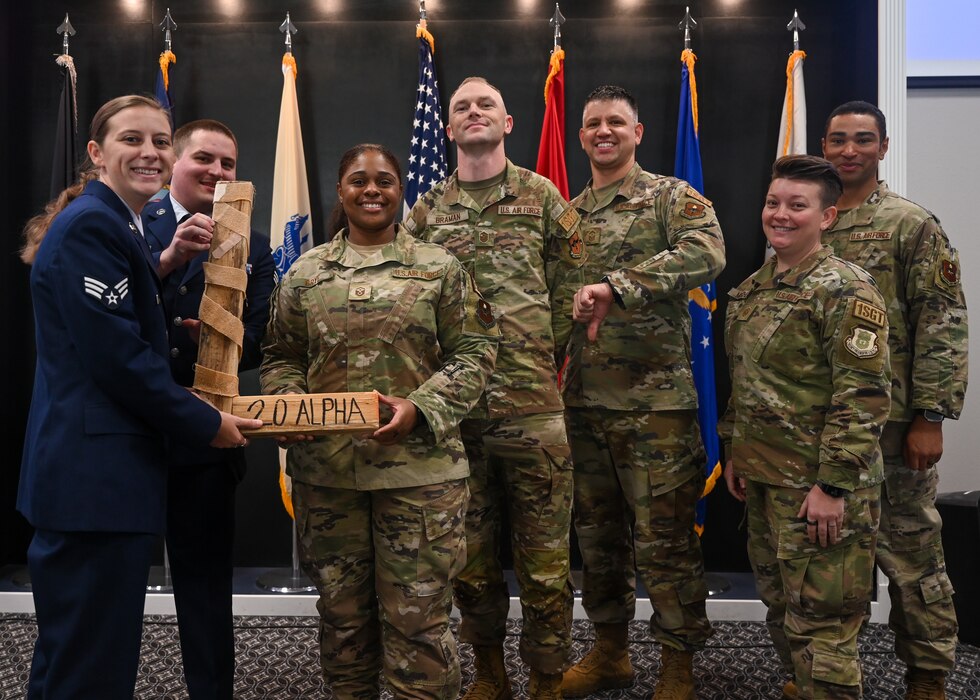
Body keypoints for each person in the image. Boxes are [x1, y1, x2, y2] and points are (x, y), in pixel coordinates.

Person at [17, 95, 261, 700]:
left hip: (103, 477)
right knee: (90, 665)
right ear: (97, 152)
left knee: (75, 654)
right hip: (94, 479)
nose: (149, 153)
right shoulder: (95, 225)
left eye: (158, 141)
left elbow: (115, 323)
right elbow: (118, 360)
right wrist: (205, 422)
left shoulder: (112, 223)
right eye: (133, 140)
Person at [261, 144, 499, 700]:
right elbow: (282, 356)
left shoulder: (440, 268)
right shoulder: (306, 270)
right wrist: (288, 406)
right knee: (342, 624)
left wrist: (420, 407)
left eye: (385, 181)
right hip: (328, 477)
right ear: (340, 191)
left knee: (418, 626)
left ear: (400, 191)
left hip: (418, 478)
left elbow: (475, 351)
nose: (372, 190)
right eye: (358, 181)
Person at [403, 76, 585, 700]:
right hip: (455, 414)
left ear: (509, 123)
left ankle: (548, 675)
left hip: (533, 409)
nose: (474, 112)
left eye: (487, 105)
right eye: (462, 107)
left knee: (546, 560)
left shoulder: (543, 198)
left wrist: (540, 353)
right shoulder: (426, 211)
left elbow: (571, 286)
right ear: (449, 128)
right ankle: (490, 672)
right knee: (470, 559)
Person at [561, 85, 724, 700]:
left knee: (666, 544)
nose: (604, 132)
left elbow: (708, 252)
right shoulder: (570, 215)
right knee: (598, 540)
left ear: (639, 131)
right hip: (584, 404)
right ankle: (610, 652)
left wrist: (618, 285)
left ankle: (677, 664)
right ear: (582, 136)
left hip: (656, 407)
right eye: (593, 124)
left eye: (616, 123)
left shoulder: (669, 198)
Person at [720, 155, 891, 699]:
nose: (781, 214)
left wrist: (833, 486)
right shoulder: (751, 291)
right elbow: (746, 386)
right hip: (768, 484)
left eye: (798, 205)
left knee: (823, 628)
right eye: (774, 203)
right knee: (781, 610)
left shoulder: (846, 291)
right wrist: (737, 454)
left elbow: (863, 397)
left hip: (820, 491)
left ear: (828, 217)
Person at [821, 101, 968, 699]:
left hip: (894, 423)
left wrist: (930, 416)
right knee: (830, 563)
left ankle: (928, 677)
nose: (848, 150)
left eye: (862, 140)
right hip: (827, 427)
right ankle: (825, 676)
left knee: (912, 558)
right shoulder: (809, 218)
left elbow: (944, 321)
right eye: (837, 140)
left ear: (883, 148)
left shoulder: (911, 224)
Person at [142, 118, 276, 699]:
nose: (217, 172)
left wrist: (213, 340)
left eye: (228, 164)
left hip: (205, 437)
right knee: (115, 588)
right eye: (205, 159)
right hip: (132, 435)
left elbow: (264, 334)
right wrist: (169, 261)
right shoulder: (127, 221)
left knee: (205, 593)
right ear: (173, 158)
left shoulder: (254, 241)